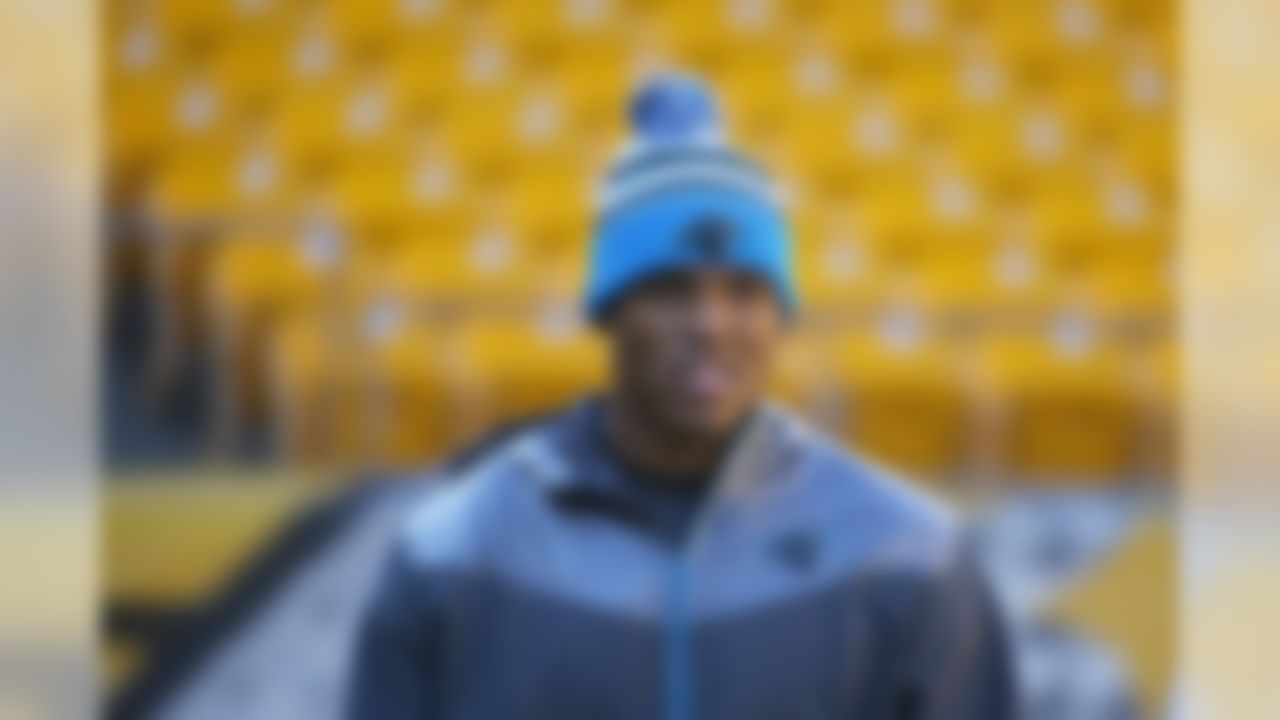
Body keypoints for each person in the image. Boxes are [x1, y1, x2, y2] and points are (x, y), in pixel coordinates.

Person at [346, 75, 1021, 720]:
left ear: (780, 317)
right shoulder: (455, 550)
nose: (711, 325)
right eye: (671, 290)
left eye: (746, 292)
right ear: (611, 311)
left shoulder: (906, 554)